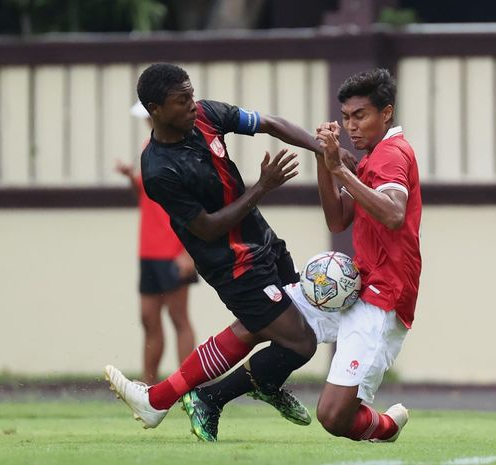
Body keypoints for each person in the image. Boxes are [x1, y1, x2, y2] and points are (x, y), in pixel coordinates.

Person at [104, 63, 354, 441]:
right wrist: (262, 186)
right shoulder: (158, 169)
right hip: (233, 265)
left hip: (264, 243)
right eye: (181, 100)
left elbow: (267, 122)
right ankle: (210, 398)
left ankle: (159, 399)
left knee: (281, 326)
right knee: (300, 342)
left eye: (191, 95)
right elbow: (207, 227)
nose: (192, 104)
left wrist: (320, 147)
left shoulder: (205, 115)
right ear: (155, 109)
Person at [284, 68, 422, 442]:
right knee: (269, 314)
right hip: (359, 287)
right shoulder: (371, 157)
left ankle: (387, 426)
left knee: (332, 416)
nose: (351, 126)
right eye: (346, 118)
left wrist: (341, 172)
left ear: (387, 113)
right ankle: (183, 393)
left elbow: (393, 213)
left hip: (384, 297)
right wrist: (323, 160)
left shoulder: (392, 154)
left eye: (360, 115)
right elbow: (337, 219)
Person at [115, 101, 198, 385]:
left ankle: (188, 386)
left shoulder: (181, 152)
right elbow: (147, 194)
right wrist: (131, 177)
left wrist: (188, 252)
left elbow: (193, 205)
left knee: (178, 318)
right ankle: (148, 388)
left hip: (174, 251)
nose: (148, 124)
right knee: (148, 318)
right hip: (149, 250)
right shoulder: (147, 150)